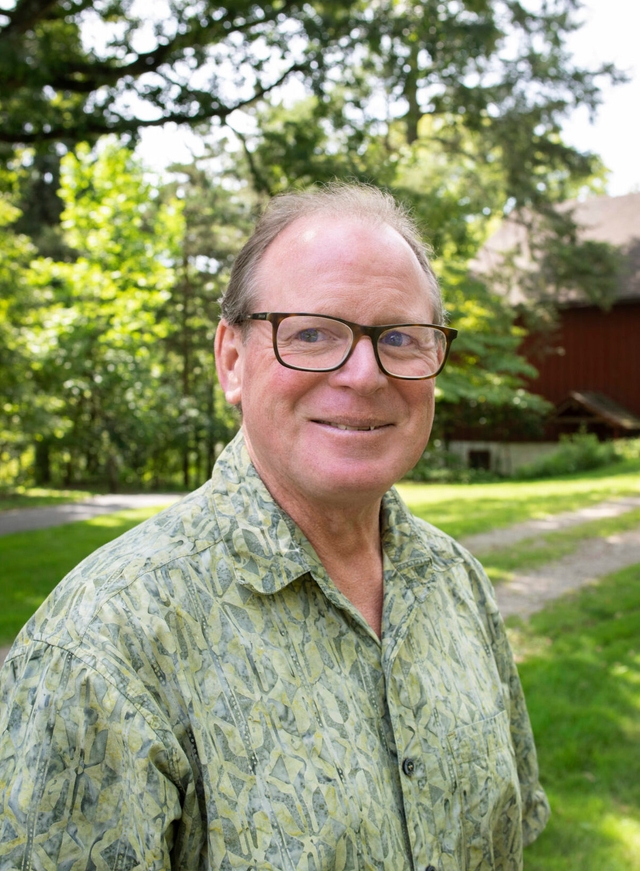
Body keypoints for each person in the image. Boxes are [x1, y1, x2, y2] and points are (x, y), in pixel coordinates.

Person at [0, 183, 549, 870]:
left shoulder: (457, 582)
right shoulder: (103, 646)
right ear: (232, 361)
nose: (364, 375)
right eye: (312, 333)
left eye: (401, 338)